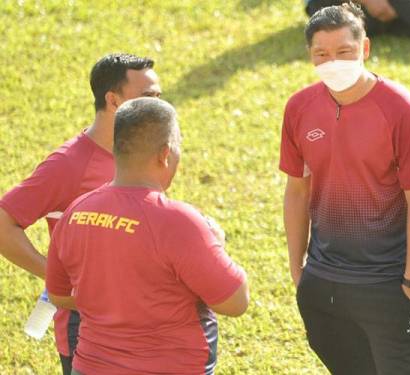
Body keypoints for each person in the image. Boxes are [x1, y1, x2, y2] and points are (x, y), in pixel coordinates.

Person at [280, 3, 410, 374]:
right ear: (310, 56)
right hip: (323, 284)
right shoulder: (299, 108)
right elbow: (296, 191)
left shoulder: (402, 110)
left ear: (364, 49)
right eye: (322, 54)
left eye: (344, 52)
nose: (332, 61)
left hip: (388, 286)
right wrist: (297, 268)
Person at [45, 97, 249, 375]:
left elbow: (59, 294)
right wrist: (218, 244)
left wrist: (114, 301)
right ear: (165, 154)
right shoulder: (179, 221)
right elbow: (235, 302)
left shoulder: (77, 211)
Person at [0, 53, 161, 374]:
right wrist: (55, 277)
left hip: (140, 323)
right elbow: (4, 223)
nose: (160, 107)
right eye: (148, 97)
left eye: (160, 96)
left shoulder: (144, 152)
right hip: (89, 330)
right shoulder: (69, 165)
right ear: (113, 100)